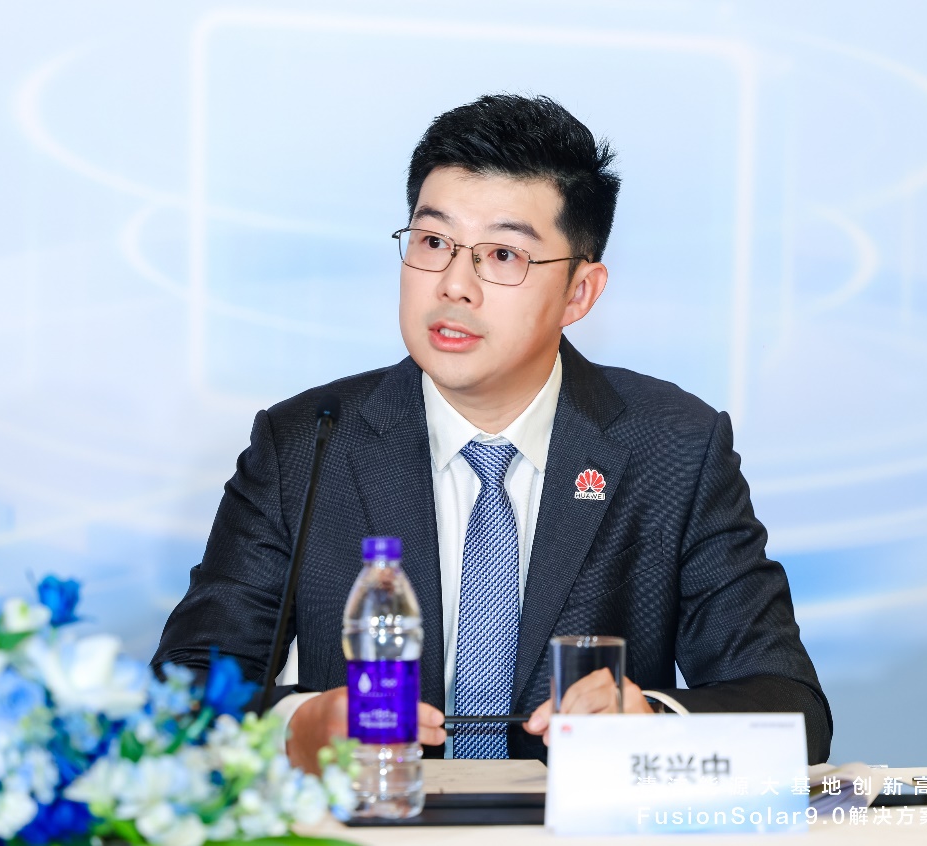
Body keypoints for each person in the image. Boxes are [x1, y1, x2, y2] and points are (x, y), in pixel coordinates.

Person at [152, 94, 831, 771]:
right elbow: (179, 691)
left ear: (579, 293)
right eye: (433, 242)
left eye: (503, 254)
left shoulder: (674, 447)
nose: (454, 286)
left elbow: (792, 711)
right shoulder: (308, 443)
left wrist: (652, 722)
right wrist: (295, 727)